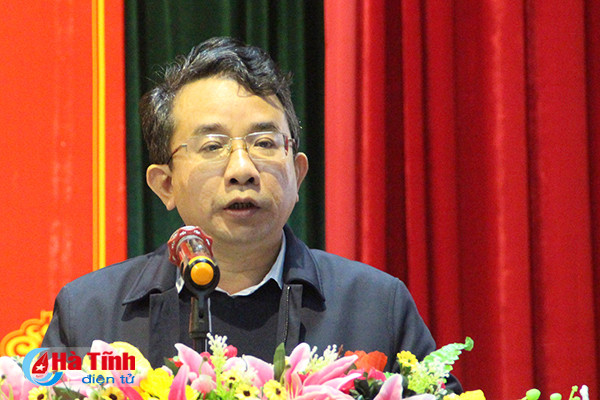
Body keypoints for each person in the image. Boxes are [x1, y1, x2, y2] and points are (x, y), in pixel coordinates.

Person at [43, 37, 461, 391]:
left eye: (264, 143)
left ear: (297, 174)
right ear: (165, 184)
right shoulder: (90, 312)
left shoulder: (375, 304)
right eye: (212, 146)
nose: (242, 169)